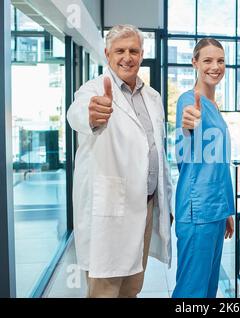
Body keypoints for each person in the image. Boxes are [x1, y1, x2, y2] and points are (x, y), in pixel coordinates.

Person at [67, 24, 173, 298]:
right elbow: (76, 113)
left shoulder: (153, 97)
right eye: (120, 51)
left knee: (133, 286)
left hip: (146, 205)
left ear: (142, 54)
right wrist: (92, 114)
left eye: (133, 51)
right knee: (105, 289)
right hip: (112, 206)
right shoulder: (92, 90)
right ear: (107, 54)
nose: (128, 57)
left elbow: (157, 151)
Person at [172, 38, 235, 298]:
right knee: (191, 291)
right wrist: (188, 124)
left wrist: (226, 210)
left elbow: (218, 163)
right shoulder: (189, 101)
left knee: (208, 289)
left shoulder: (215, 106)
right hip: (197, 209)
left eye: (220, 60)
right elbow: (186, 131)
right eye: (207, 60)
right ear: (194, 63)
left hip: (215, 210)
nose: (215, 66)